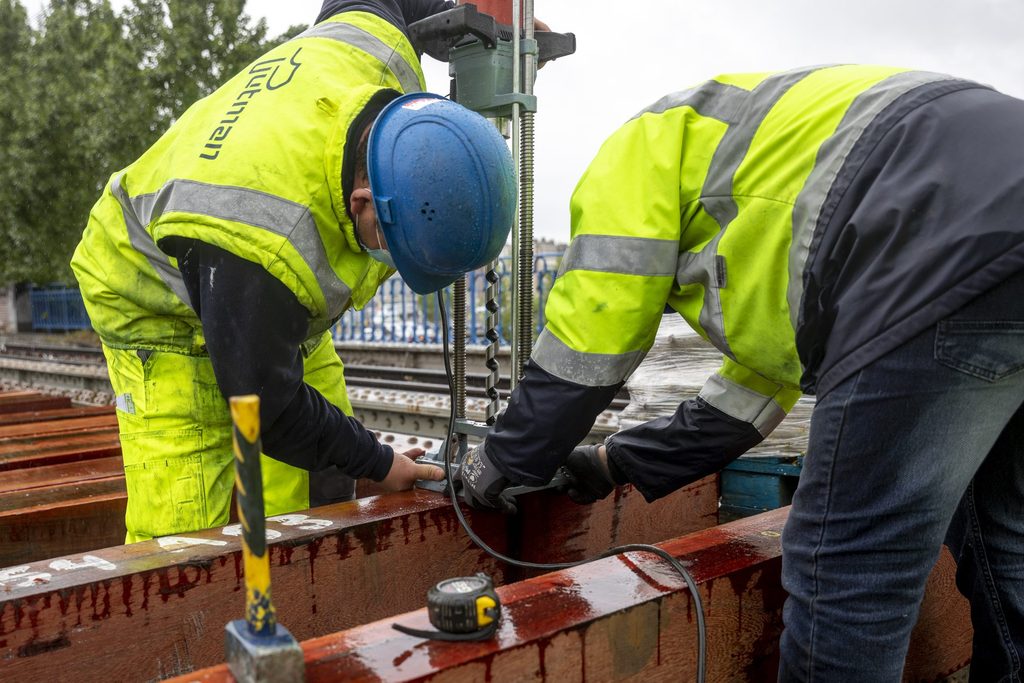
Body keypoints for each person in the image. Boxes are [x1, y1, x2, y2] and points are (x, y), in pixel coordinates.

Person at [459, 65, 1024, 681]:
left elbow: (590, 337)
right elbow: (750, 395)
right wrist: (616, 463)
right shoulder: (773, 212)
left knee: (851, 565)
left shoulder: (638, 153)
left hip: (937, 239)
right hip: (984, 195)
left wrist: (505, 460)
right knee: (1009, 536)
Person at [71, 0, 516, 543]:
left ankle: (302, 599)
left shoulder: (382, 56)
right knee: (184, 537)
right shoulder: (260, 239)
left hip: (259, 289)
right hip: (154, 302)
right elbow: (265, 406)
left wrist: (470, 15)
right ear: (361, 202)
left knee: (321, 471)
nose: (391, 264)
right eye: (392, 246)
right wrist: (380, 461)